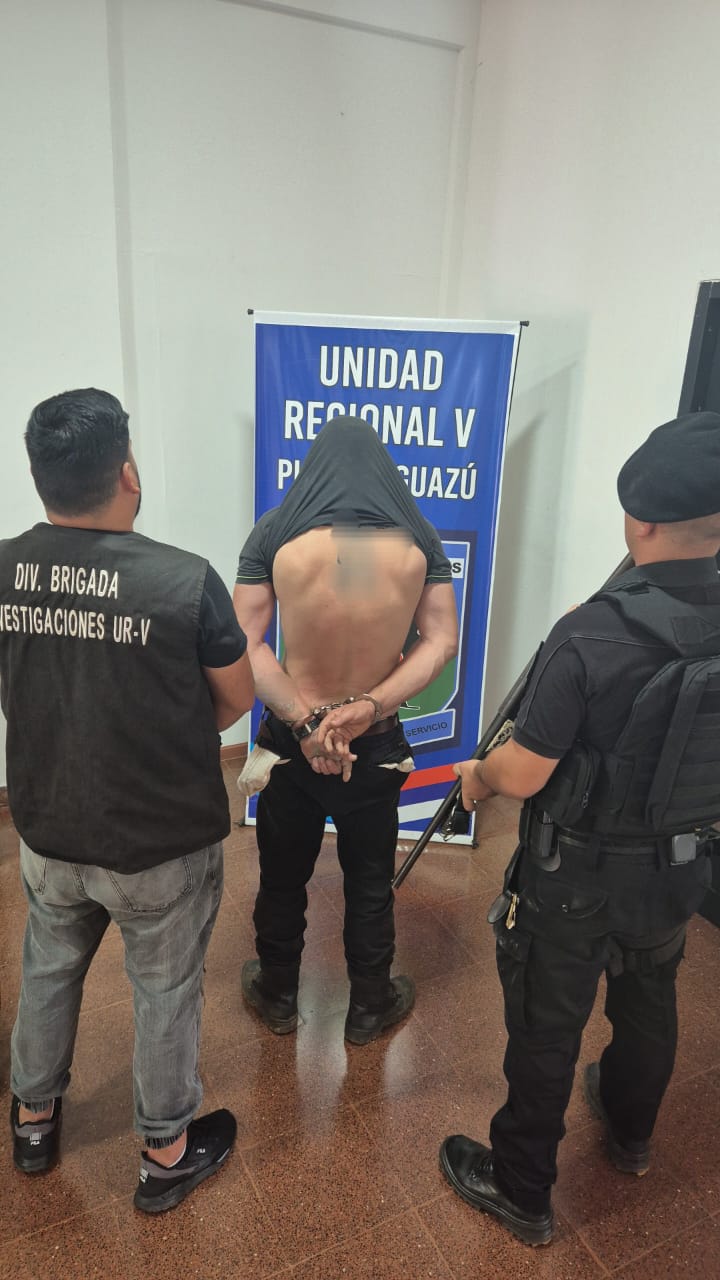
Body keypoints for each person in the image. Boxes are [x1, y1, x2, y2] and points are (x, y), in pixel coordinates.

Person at [441, 411, 720, 1247]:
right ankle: (631, 1134)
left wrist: (477, 777)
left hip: (574, 880)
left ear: (640, 521)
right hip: (679, 867)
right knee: (650, 993)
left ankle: (521, 1187)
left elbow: (525, 772)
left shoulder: (590, 632)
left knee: (547, 1025)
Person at [1, 388, 254, 1213]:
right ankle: (165, 1153)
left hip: (47, 827)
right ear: (128, 473)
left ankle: (32, 1121)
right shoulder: (183, 580)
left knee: (47, 969)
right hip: (158, 841)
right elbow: (234, 699)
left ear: (40, 478)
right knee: (165, 990)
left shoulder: (3, 568)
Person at [233, 415, 458, 1044]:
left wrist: (307, 721)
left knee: (283, 876)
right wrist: (370, 705)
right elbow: (442, 640)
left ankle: (278, 993)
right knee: (369, 881)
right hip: (373, 740)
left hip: (293, 740)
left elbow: (244, 642)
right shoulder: (418, 539)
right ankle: (368, 1006)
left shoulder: (277, 533)